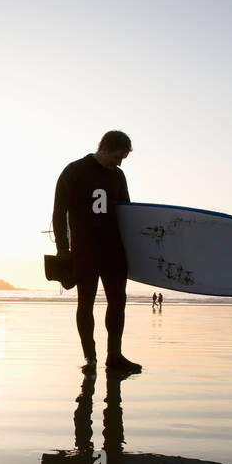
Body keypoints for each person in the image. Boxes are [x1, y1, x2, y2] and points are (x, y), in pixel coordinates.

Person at [53, 131, 142, 374]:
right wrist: (63, 249)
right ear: (105, 148)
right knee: (86, 303)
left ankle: (114, 356)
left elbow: (127, 213)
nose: (120, 162)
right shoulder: (74, 171)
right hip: (85, 250)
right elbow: (58, 213)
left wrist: (136, 250)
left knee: (118, 301)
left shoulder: (119, 176)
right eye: (118, 156)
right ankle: (90, 358)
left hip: (114, 250)